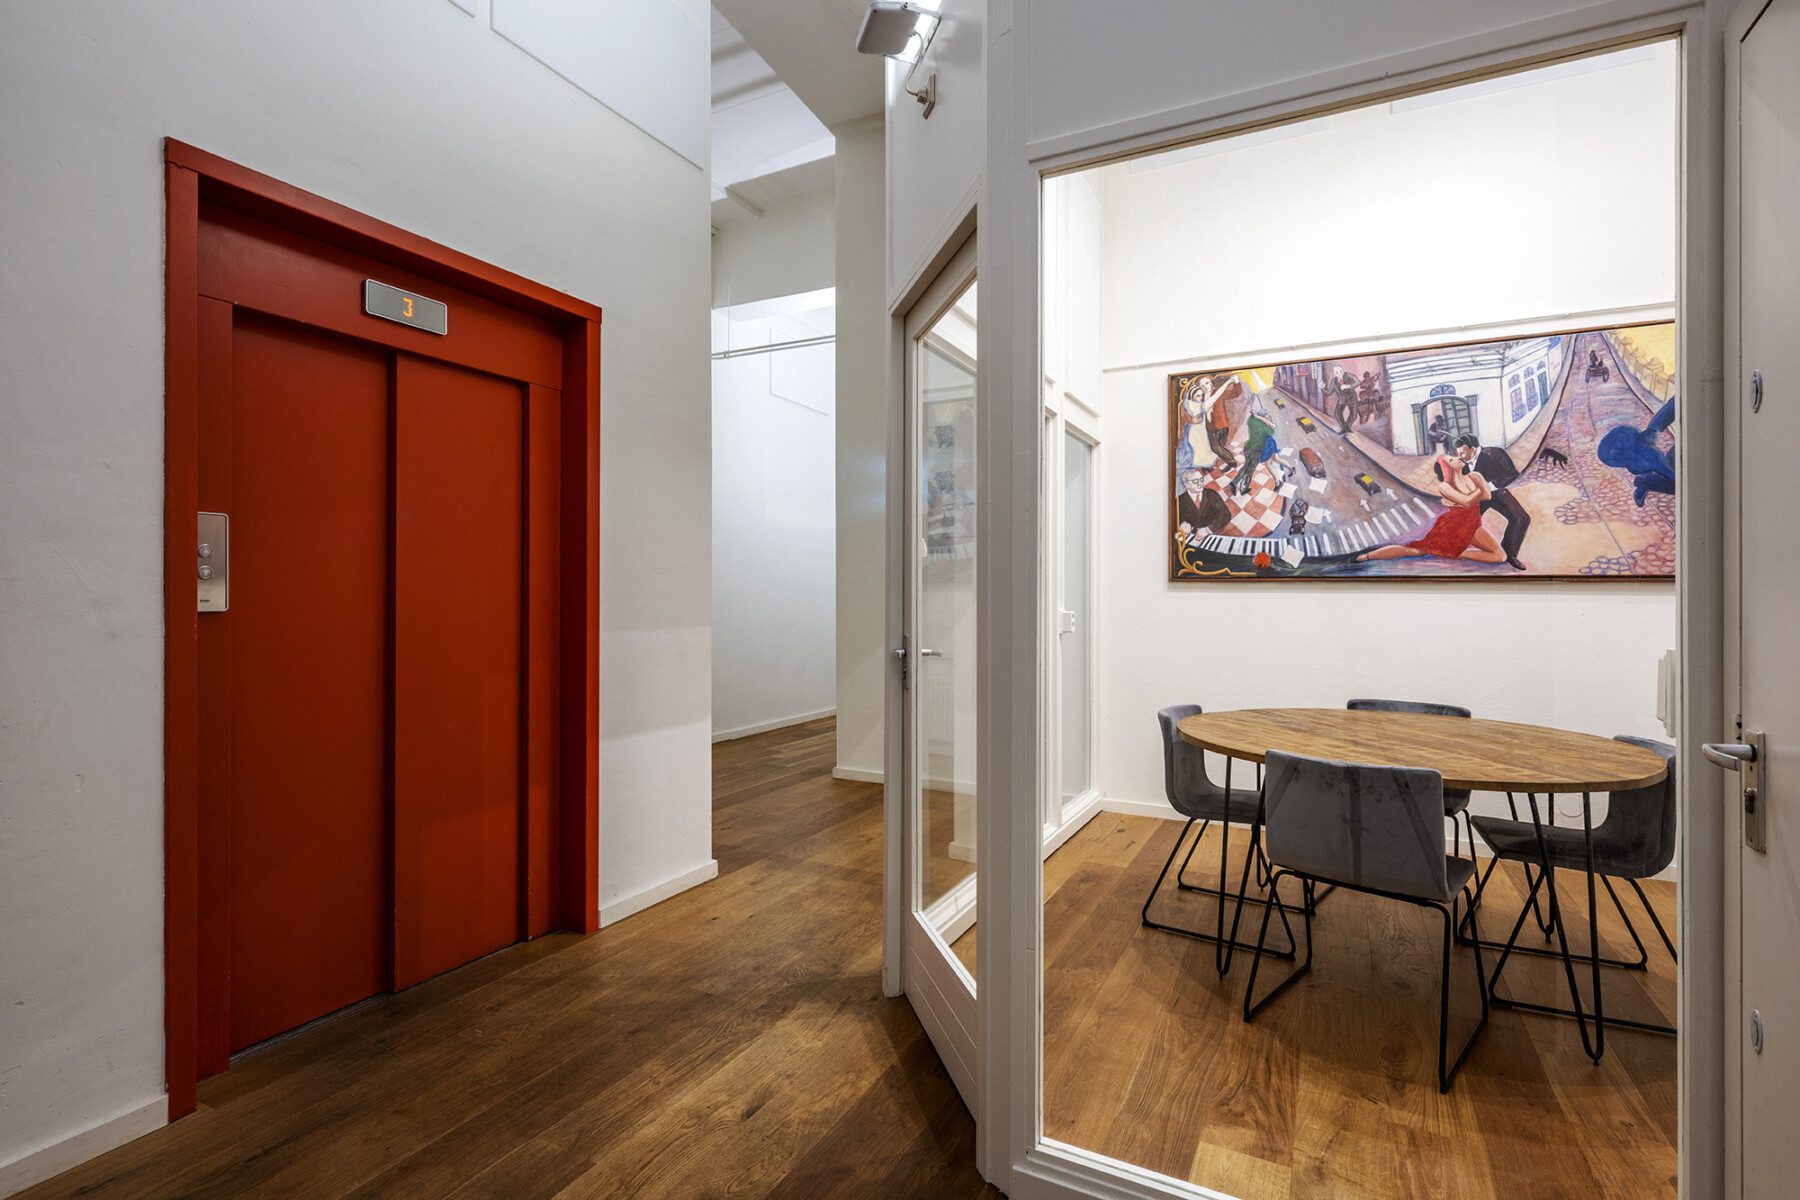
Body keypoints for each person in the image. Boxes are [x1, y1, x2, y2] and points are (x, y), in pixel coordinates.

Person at [1352, 453, 1506, 565]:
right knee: (1415, 550)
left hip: (1473, 525)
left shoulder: (1475, 476)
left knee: (1500, 556)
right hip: (1452, 527)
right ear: (1447, 468)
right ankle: (1369, 556)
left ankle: (1457, 554)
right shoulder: (1445, 487)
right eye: (1451, 460)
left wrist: (1476, 492)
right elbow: (1466, 501)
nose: (1457, 458)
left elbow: (1487, 496)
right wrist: (1478, 490)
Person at [1452, 433, 1530, 570]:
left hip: (1496, 493)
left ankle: (1509, 554)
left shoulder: (1495, 454)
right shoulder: (1460, 461)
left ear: (1473, 449)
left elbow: (1512, 473)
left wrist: (1490, 486)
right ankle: (1455, 545)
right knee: (1462, 522)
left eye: (1463, 453)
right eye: (1458, 453)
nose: (1460, 457)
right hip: (1475, 496)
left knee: (1522, 518)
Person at [1597, 396, 1676, 505]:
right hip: (1648, 456)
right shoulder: (1648, 457)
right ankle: (1647, 482)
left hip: (1651, 456)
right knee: (1679, 480)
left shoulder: (1649, 456)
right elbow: (1678, 402)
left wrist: (1653, 429)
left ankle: (1647, 482)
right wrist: (1653, 428)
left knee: (1674, 474)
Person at [1231, 401, 1281, 495]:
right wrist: (1265, 418)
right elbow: (1273, 427)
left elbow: (1252, 416)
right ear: (1263, 417)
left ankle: (1234, 482)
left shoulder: (1251, 420)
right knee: (1250, 470)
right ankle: (1243, 488)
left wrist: (1256, 416)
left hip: (1247, 448)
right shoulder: (1264, 427)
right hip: (1256, 450)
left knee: (1246, 466)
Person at [1175, 468, 1229, 543]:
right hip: (1190, 539)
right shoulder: (1179, 500)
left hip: (1212, 536)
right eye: (1195, 481)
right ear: (1186, 484)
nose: (1200, 483)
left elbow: (1225, 515)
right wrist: (1181, 525)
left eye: (1201, 479)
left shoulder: (1211, 494)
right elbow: (1173, 520)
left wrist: (1208, 529)